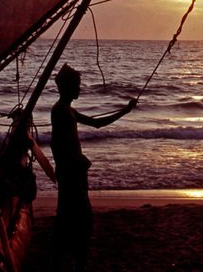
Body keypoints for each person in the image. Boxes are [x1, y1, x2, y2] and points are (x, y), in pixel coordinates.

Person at [50, 63, 135, 270]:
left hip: (74, 173)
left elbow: (97, 123)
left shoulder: (67, 110)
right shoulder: (60, 111)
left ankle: (70, 258)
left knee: (72, 218)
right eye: (77, 85)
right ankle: (74, 260)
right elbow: (57, 145)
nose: (80, 88)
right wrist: (76, 161)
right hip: (71, 175)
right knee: (81, 220)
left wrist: (125, 110)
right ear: (68, 86)